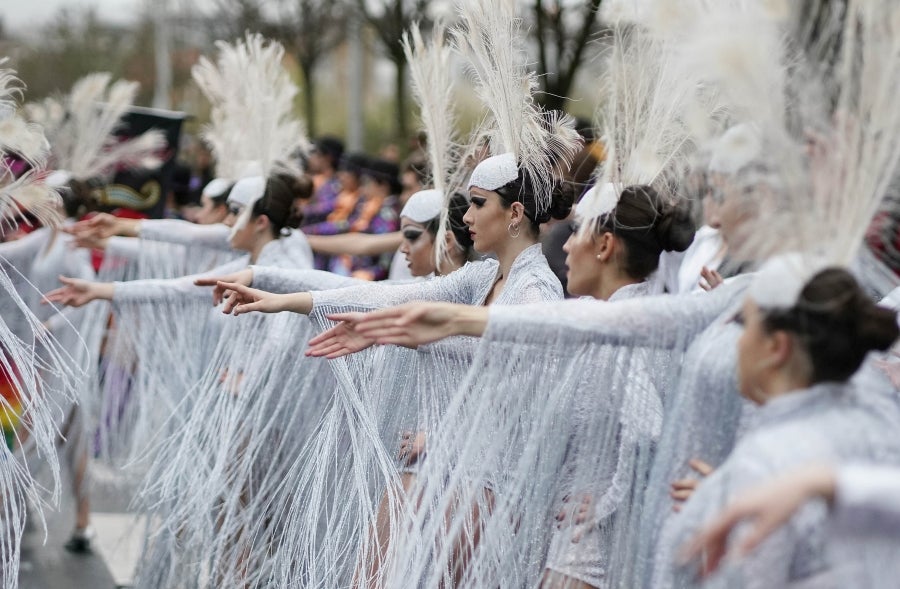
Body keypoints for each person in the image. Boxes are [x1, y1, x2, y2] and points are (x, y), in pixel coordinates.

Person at [662, 265, 899, 588]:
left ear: (776, 347)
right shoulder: (866, 427)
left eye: (743, 325)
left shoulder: (768, 458)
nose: (737, 343)